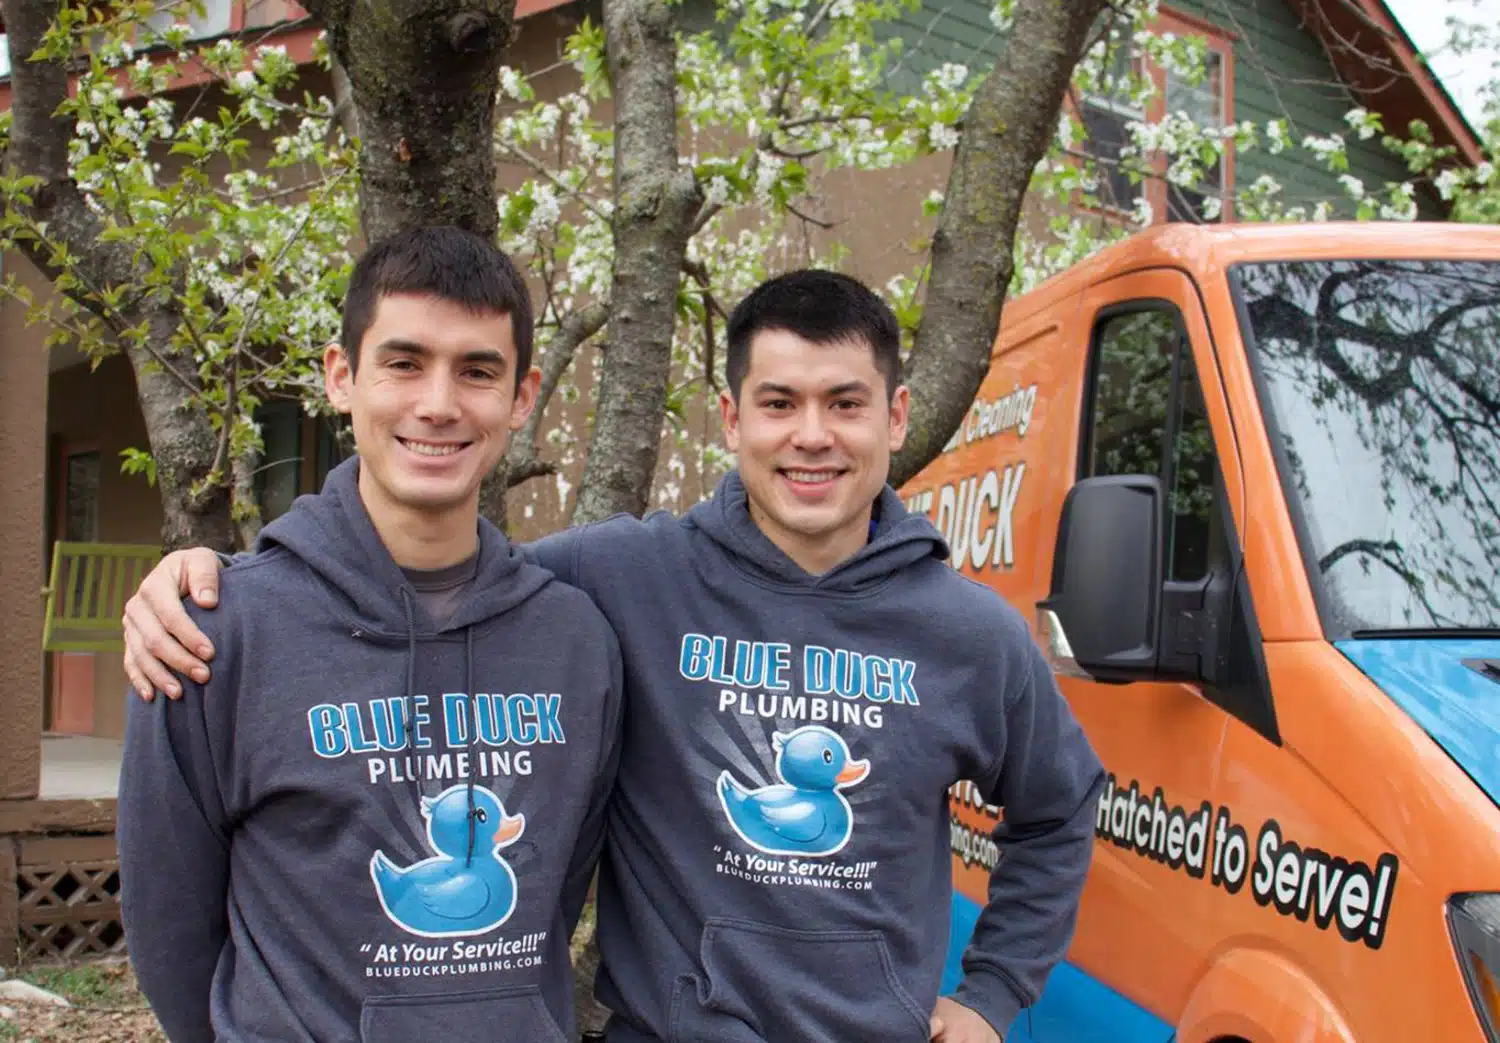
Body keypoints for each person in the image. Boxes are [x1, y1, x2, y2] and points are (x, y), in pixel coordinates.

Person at [124, 268, 1105, 1042]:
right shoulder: (621, 579)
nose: (812, 436)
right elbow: (441, 572)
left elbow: (1060, 806)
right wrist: (211, 578)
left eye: (845, 403)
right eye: (778, 402)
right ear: (732, 419)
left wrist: (991, 992)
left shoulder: (969, 634)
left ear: (894, 416)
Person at [116, 227, 624, 1043]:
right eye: (404, 362)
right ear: (341, 376)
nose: (439, 403)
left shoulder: (576, 641)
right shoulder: (214, 634)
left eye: (477, 371)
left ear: (522, 396)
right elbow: (168, 916)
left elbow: (559, 888)